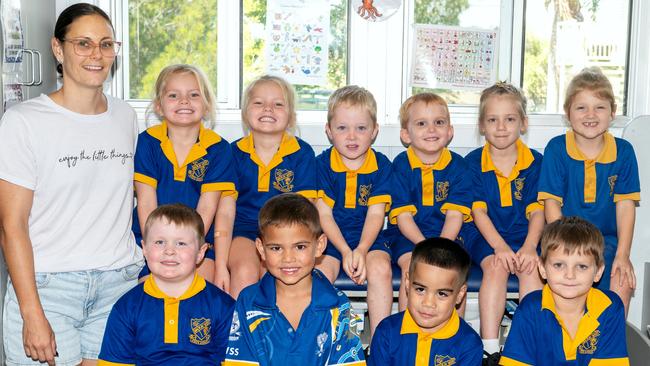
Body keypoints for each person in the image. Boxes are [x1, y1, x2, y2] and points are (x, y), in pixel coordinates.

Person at [0, 3, 143, 365]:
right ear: (58, 49)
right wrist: (32, 314)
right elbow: (11, 226)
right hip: (48, 289)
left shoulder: (125, 116)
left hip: (118, 285)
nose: (97, 54)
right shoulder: (23, 122)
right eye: (83, 43)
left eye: (106, 44)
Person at [537, 67, 640, 313]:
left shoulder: (623, 152)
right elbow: (551, 204)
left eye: (600, 107)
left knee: (622, 280)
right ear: (568, 113)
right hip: (563, 240)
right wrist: (567, 246)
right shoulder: (557, 148)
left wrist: (623, 255)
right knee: (568, 287)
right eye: (581, 107)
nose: (590, 115)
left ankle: (611, 347)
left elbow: (625, 206)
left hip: (607, 243)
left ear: (613, 112)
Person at [223, 193, 366, 366]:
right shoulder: (248, 301)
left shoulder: (339, 305)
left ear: (319, 245)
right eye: (276, 248)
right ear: (261, 248)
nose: (288, 258)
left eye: (300, 247)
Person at [132, 64, 237, 289]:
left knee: (199, 291)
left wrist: (185, 248)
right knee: (151, 295)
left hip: (198, 242)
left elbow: (207, 210)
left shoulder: (219, 149)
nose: (184, 101)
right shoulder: (147, 142)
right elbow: (146, 201)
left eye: (194, 95)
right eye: (173, 95)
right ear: (159, 106)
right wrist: (157, 246)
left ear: (206, 105)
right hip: (151, 241)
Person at [464, 83, 544, 359]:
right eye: (492, 120)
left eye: (509, 119)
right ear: (482, 126)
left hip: (525, 235)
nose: (501, 127)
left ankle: (531, 345)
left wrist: (531, 247)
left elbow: (538, 212)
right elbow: (478, 214)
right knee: (497, 267)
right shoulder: (472, 163)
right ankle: (489, 350)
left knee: (531, 269)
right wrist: (499, 247)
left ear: (523, 123)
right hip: (484, 235)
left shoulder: (535, 162)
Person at [98, 204, 235, 365]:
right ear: (145, 249)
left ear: (200, 253)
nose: (169, 250)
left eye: (181, 243)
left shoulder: (223, 306)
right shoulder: (126, 308)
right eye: (160, 242)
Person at [229, 75, 318, 298]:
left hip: (285, 233)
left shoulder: (301, 153)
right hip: (244, 231)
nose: (268, 109)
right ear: (245, 112)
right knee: (245, 269)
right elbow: (225, 209)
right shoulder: (232, 153)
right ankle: (240, 331)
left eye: (278, 104)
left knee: (274, 273)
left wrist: (279, 245)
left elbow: (306, 208)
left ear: (290, 117)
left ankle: (278, 329)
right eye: (259, 103)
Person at [315, 85, 393, 338]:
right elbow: (324, 215)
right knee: (317, 273)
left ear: (374, 131)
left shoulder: (381, 165)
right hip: (330, 237)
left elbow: (375, 214)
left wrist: (360, 249)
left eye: (361, 128)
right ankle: (322, 340)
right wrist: (346, 251)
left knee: (380, 268)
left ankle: (381, 341)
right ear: (329, 131)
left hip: (368, 238)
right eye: (342, 128)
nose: (352, 136)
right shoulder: (322, 164)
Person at [500, 216, 629, 365]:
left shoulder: (609, 308)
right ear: (542, 268)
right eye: (559, 265)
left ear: (598, 272)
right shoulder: (530, 308)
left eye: (582, 266)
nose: (570, 275)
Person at [389, 92, 472, 311]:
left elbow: (455, 215)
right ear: (406, 134)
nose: (432, 129)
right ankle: (408, 334)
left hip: (449, 236)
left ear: (450, 131)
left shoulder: (459, 166)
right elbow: (403, 216)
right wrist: (425, 248)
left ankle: (452, 337)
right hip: (409, 236)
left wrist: (440, 249)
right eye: (421, 123)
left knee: (452, 271)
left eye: (439, 122)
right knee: (412, 268)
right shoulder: (400, 165)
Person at [368, 237, 482, 366]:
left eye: (442, 294)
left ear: (460, 294)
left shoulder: (469, 344)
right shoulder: (386, 332)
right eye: (420, 289)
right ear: (407, 283)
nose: (428, 303)